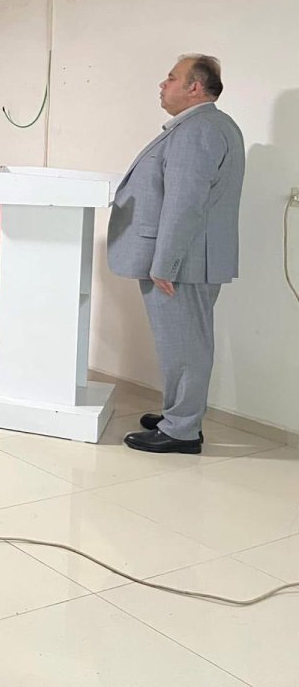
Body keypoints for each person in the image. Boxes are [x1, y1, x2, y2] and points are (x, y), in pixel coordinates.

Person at [109, 55, 245, 454]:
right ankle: (179, 416)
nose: (162, 84)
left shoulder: (198, 129)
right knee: (182, 344)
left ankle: (181, 431)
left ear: (194, 87)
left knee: (185, 347)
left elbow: (184, 203)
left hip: (182, 262)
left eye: (171, 78)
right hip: (190, 257)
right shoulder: (208, 125)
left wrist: (165, 264)